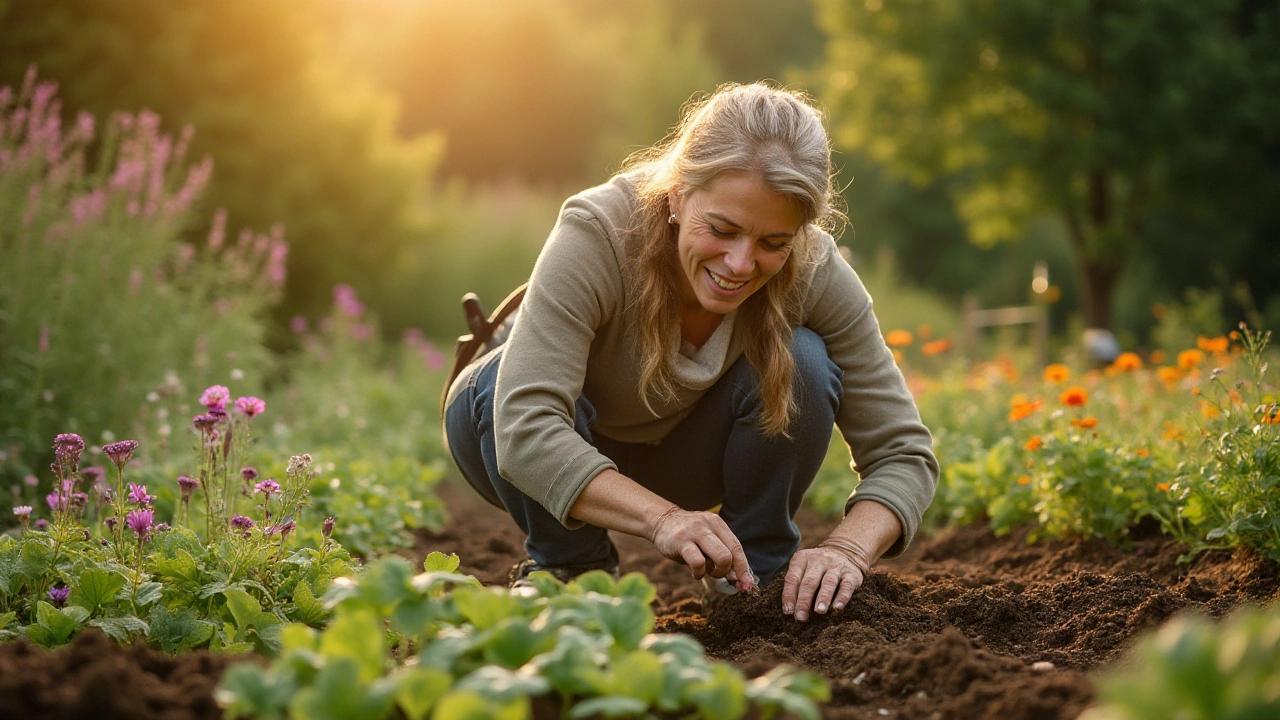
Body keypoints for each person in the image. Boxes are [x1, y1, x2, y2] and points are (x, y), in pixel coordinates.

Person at [443, 83, 937, 622]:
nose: (741, 264)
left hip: (690, 455)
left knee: (803, 359)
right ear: (677, 194)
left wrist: (847, 551)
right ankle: (570, 570)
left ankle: (752, 585)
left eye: (774, 242)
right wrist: (663, 520)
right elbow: (525, 428)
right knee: (498, 383)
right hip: (526, 450)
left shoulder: (815, 268)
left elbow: (904, 453)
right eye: (722, 229)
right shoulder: (598, 231)